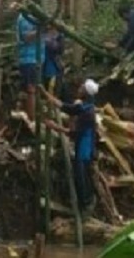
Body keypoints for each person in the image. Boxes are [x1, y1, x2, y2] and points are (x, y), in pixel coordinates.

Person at [41, 79, 98, 213]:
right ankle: (84, 203)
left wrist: (55, 127)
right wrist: (45, 94)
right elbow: (65, 107)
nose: (79, 87)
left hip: (85, 149)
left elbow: (74, 133)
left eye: (82, 87)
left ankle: (85, 204)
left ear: (85, 92)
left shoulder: (87, 112)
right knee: (81, 175)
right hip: (83, 147)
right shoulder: (85, 107)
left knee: (81, 176)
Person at [16, 10, 45, 120]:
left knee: (35, 88)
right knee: (31, 89)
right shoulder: (25, 18)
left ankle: (34, 115)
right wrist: (40, 29)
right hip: (29, 58)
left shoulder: (34, 17)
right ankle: (32, 119)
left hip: (37, 58)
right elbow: (26, 38)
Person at [43, 25, 66, 99]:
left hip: (54, 67)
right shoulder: (44, 37)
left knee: (54, 87)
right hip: (44, 66)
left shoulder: (58, 38)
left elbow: (59, 50)